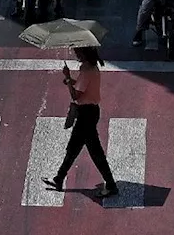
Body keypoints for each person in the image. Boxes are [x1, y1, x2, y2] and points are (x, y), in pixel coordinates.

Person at [43, 46, 119, 199]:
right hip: (90, 112)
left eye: (78, 51)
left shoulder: (86, 70)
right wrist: (71, 80)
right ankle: (59, 178)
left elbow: (76, 95)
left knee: (91, 151)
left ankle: (111, 185)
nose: (75, 53)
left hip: (86, 115)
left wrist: (68, 77)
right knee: (74, 148)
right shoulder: (91, 67)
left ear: (85, 52)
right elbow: (83, 86)